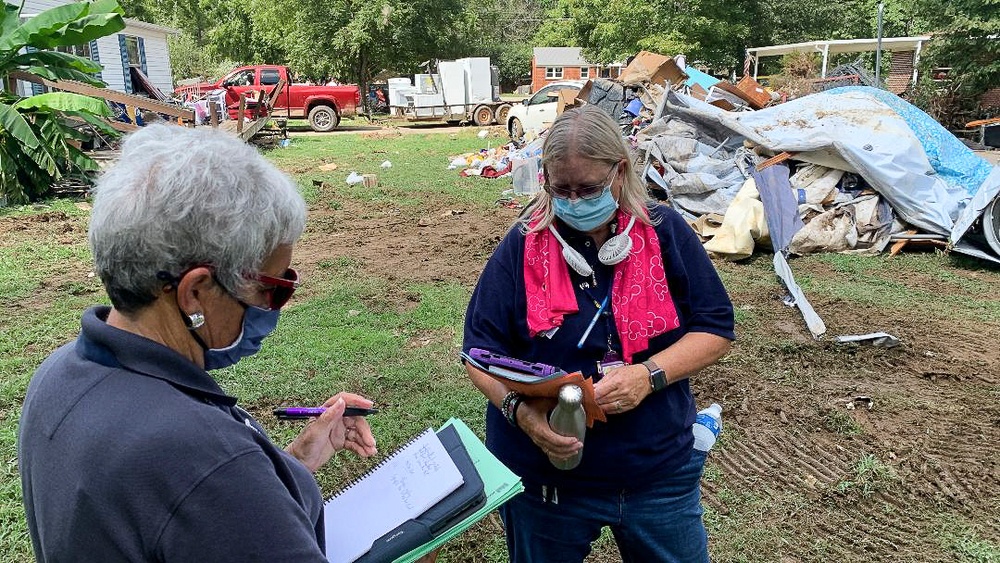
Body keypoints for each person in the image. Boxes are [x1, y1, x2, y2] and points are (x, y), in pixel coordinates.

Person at [18, 124, 378, 562]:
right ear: (195, 292)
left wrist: (291, 466)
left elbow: (177, 521)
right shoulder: (203, 457)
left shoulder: (60, 374)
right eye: (274, 288)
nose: (276, 307)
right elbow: (202, 487)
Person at [462, 105, 735, 562]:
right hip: (547, 479)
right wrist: (521, 413)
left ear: (619, 171)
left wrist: (648, 375)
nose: (572, 201)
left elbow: (715, 329)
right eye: (559, 188)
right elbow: (478, 353)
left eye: (587, 188)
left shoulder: (665, 233)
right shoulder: (522, 244)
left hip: (656, 473)